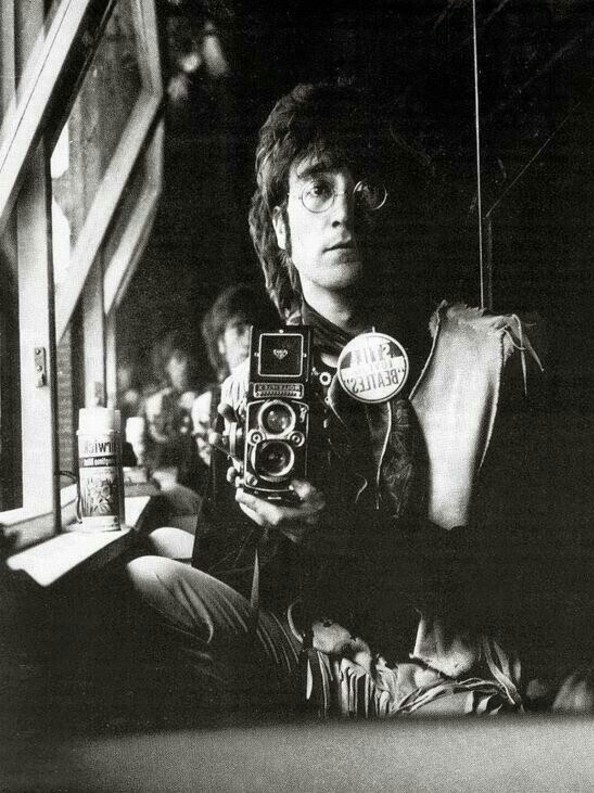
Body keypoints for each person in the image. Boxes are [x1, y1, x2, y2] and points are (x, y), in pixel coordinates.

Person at [126, 82, 546, 720]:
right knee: (150, 569)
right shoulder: (264, 380)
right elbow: (239, 572)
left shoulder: (477, 357)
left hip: (443, 654)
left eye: (364, 189)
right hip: (326, 655)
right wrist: (248, 508)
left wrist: (344, 535)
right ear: (280, 226)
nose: (343, 213)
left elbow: (513, 574)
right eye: (317, 189)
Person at [191, 283, 277, 468]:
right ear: (220, 343)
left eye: (257, 329)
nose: (250, 339)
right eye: (239, 329)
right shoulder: (204, 406)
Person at [141, 329, 204, 493]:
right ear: (166, 365)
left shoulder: (206, 398)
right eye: (179, 359)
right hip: (164, 484)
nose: (186, 365)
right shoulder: (156, 402)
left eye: (190, 359)